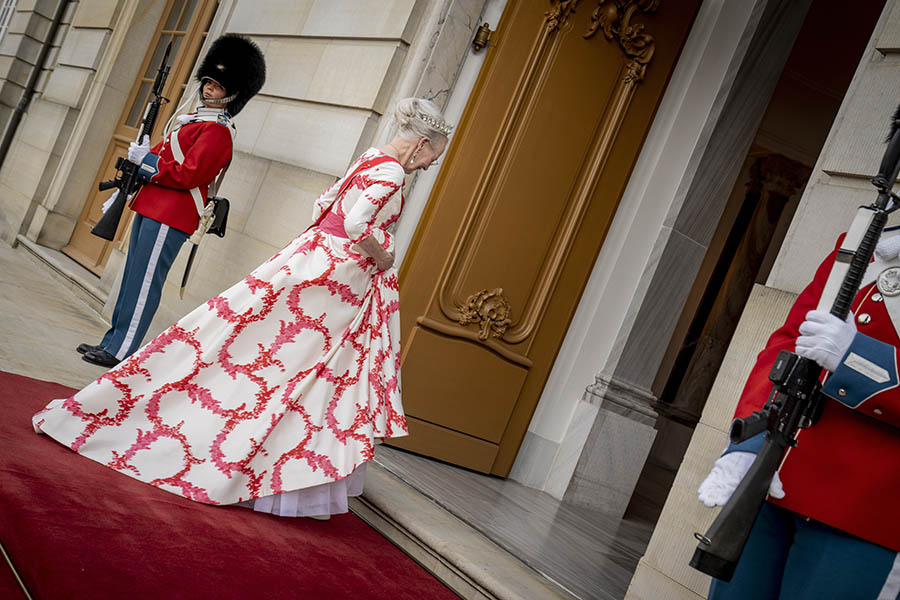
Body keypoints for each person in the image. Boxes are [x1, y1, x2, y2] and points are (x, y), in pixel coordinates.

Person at [34, 97, 452, 520]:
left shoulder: (371, 156)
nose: (429, 165)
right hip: (337, 278)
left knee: (266, 357)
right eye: (432, 156)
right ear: (420, 144)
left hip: (309, 257)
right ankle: (271, 464)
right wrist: (383, 257)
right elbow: (357, 223)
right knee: (304, 370)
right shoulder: (394, 172)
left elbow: (323, 203)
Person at [697, 230, 900, 599]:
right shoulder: (863, 239)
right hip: (777, 477)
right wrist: (750, 443)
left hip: (867, 516)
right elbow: (791, 341)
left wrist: (856, 360)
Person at [78, 33, 266, 368]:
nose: (209, 89)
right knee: (133, 278)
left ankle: (121, 352)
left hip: (171, 215)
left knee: (145, 282)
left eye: (217, 86)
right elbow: (167, 160)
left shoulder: (218, 131)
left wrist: (146, 162)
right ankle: (113, 341)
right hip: (153, 206)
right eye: (208, 82)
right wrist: (143, 157)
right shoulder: (195, 121)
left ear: (232, 93)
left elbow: (187, 174)